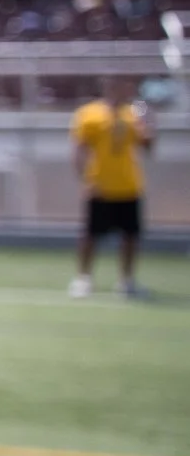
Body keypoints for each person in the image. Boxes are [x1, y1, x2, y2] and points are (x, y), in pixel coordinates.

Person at [71, 77, 153, 298]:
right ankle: (83, 278)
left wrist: (149, 125)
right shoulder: (89, 113)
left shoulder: (134, 113)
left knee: (130, 236)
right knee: (90, 234)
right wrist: (85, 180)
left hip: (128, 184)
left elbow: (148, 146)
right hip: (100, 185)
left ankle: (126, 280)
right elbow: (80, 149)